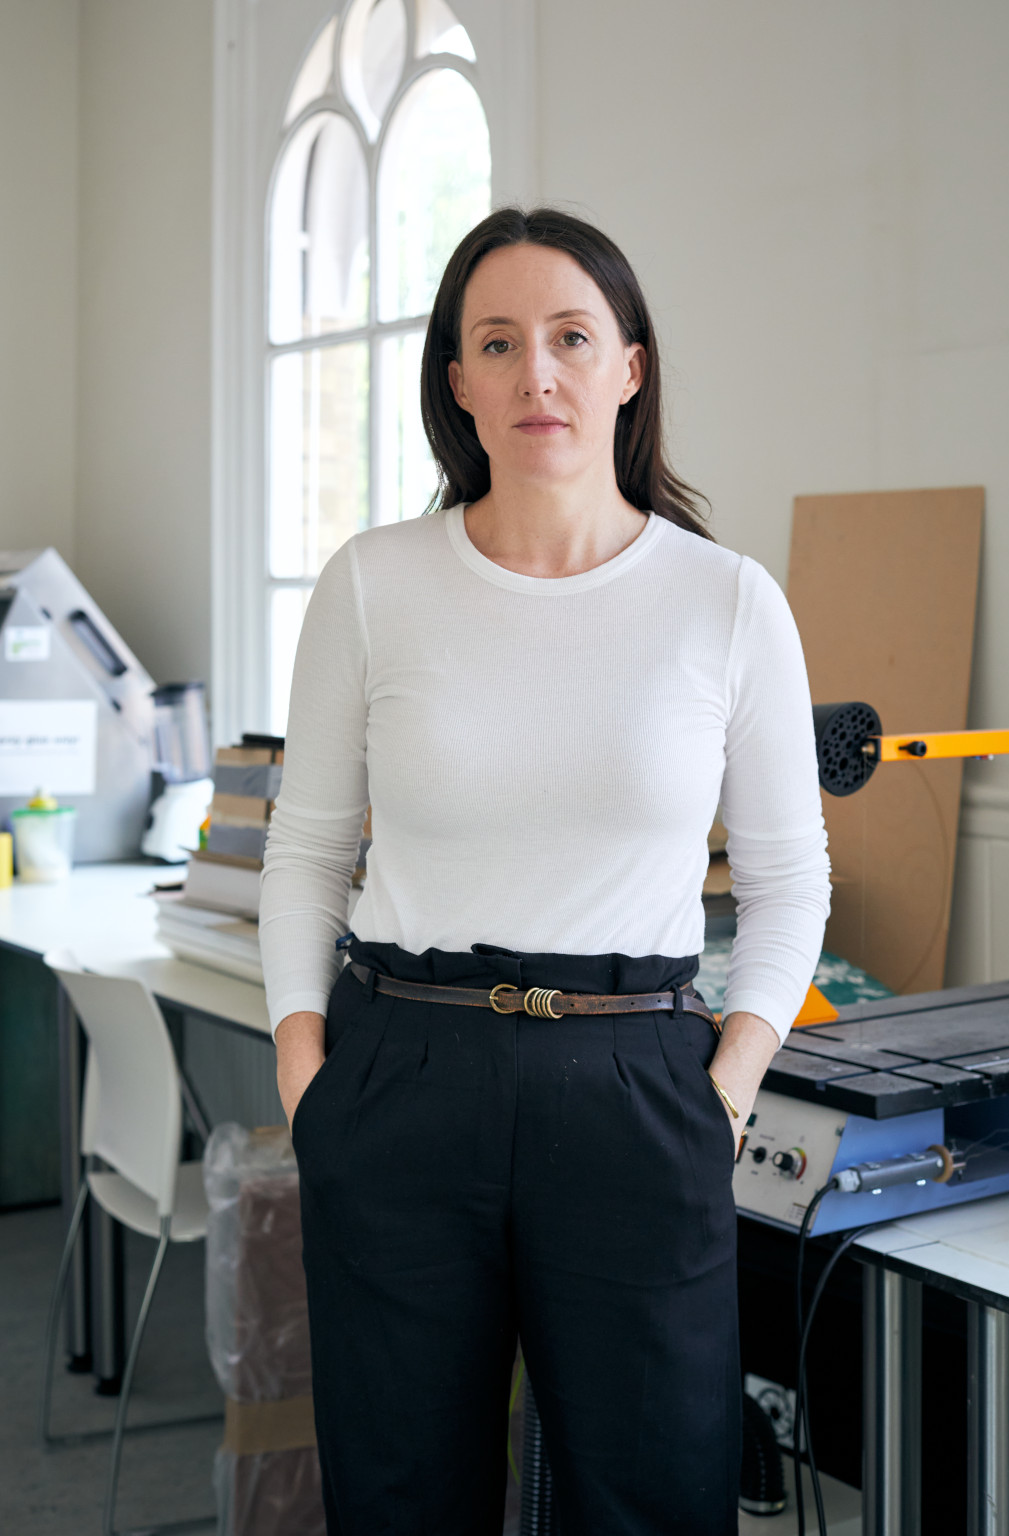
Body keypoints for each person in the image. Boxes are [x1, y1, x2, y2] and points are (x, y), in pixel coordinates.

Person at [259, 206, 830, 1536]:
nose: (539, 374)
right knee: (402, 1499)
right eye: (499, 342)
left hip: (640, 1083)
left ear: (630, 366)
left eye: (572, 337)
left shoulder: (728, 600)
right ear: (459, 381)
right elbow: (307, 853)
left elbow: (791, 880)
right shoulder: (373, 583)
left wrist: (727, 1089)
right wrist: (305, 1077)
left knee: (655, 1498)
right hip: (402, 1072)